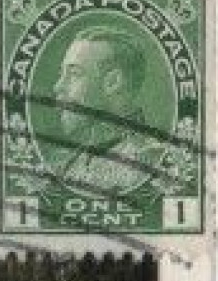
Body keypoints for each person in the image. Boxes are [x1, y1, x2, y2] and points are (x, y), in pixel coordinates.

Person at [48, 26, 164, 195]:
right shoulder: (68, 163)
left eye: (74, 74)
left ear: (113, 82)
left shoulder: (152, 159)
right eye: (61, 74)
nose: (58, 86)